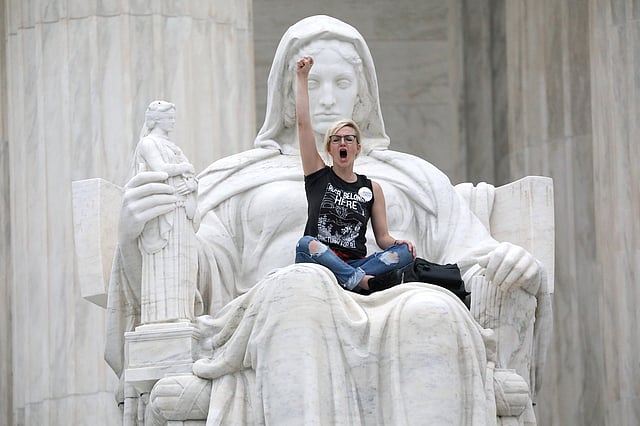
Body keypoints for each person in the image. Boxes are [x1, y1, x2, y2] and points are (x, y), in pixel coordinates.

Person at [107, 15, 549, 425]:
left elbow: (468, 258)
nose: (328, 96)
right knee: (303, 286)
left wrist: (510, 263)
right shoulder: (238, 180)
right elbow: (203, 270)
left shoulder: (414, 177)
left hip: (393, 296)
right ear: (288, 94)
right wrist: (139, 231)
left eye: (342, 81)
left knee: (432, 309)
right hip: (282, 306)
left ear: (362, 93)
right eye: (311, 81)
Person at [293, 56, 415, 293]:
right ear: (329, 148)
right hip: (321, 262)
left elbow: (383, 238)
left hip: (357, 263)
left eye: (349, 139)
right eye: (336, 139)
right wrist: (302, 77)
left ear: (357, 148)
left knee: (403, 254)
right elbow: (303, 125)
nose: (343, 143)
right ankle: (361, 282)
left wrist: (398, 243)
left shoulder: (372, 189)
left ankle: (353, 278)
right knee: (306, 244)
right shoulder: (318, 175)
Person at [132, 100, 201, 323]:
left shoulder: (173, 146)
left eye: (173, 116)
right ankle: (162, 317)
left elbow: (190, 178)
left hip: (181, 212)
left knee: (183, 265)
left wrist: (192, 185)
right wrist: (185, 168)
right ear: (156, 119)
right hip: (163, 214)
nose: (173, 120)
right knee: (165, 265)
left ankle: (182, 314)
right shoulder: (148, 143)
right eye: (168, 117)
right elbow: (161, 170)